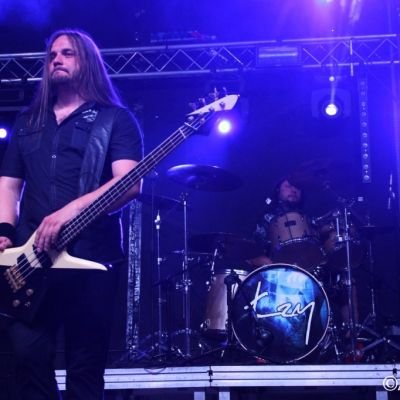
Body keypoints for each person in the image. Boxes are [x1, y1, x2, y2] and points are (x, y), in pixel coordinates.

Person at [0, 29, 143, 399]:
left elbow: (129, 184)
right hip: (32, 257)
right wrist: (4, 229)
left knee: (85, 366)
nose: (56, 60)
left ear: (87, 61)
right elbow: (9, 185)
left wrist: (70, 211)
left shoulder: (115, 120)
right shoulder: (28, 121)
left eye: (67, 53)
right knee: (27, 357)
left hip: (91, 255)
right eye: (52, 55)